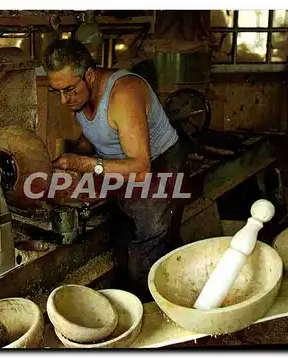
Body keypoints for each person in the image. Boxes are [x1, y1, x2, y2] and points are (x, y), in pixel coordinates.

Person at [43, 39, 188, 301]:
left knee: (147, 250)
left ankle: (155, 315)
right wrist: (71, 156)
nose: (64, 100)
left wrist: (83, 164)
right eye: (58, 92)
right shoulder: (80, 95)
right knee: (120, 241)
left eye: (68, 90)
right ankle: (131, 303)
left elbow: (141, 168)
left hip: (157, 166)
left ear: (89, 74)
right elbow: (96, 135)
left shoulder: (124, 95)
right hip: (121, 169)